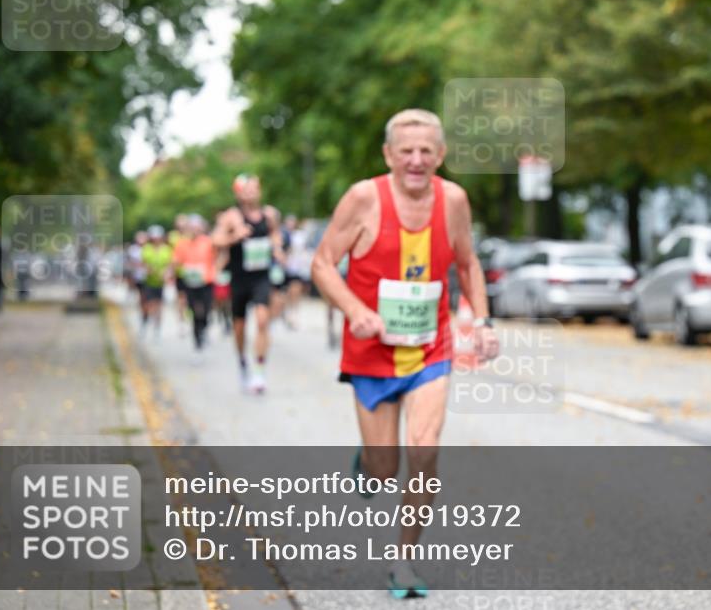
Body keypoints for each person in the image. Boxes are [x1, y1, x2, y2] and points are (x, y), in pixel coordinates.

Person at [312, 108, 499, 598]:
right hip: (371, 352)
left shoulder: (453, 200)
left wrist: (481, 322)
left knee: (424, 450)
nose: (416, 160)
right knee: (384, 468)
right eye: (406, 151)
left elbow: (467, 263)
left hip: (430, 348)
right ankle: (369, 464)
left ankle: (404, 562)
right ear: (388, 155)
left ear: (441, 155)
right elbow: (323, 264)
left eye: (426, 151)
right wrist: (355, 310)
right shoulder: (363, 198)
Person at [212, 174, 285, 393]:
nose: (251, 192)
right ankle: (243, 362)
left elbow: (276, 235)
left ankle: (259, 372)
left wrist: (277, 248)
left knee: (263, 321)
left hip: (261, 276)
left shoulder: (269, 215)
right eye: (247, 189)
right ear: (238, 194)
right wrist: (234, 236)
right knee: (239, 327)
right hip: (239, 277)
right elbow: (215, 240)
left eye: (255, 188)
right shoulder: (231, 217)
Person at [172, 214, 216, 359]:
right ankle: (197, 343)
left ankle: (204, 328)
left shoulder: (209, 242)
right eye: (192, 228)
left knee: (207, 310)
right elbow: (176, 261)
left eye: (197, 227)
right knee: (195, 311)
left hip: (206, 281)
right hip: (190, 282)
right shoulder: (182, 243)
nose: (194, 230)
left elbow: (217, 258)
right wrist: (169, 272)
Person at [140, 225, 173, 338]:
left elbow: (170, 264)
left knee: (159, 305)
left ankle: (157, 327)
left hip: (160, 282)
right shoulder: (147, 248)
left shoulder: (166, 249)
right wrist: (151, 270)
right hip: (149, 282)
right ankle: (145, 321)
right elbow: (144, 263)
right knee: (148, 305)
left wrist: (166, 273)